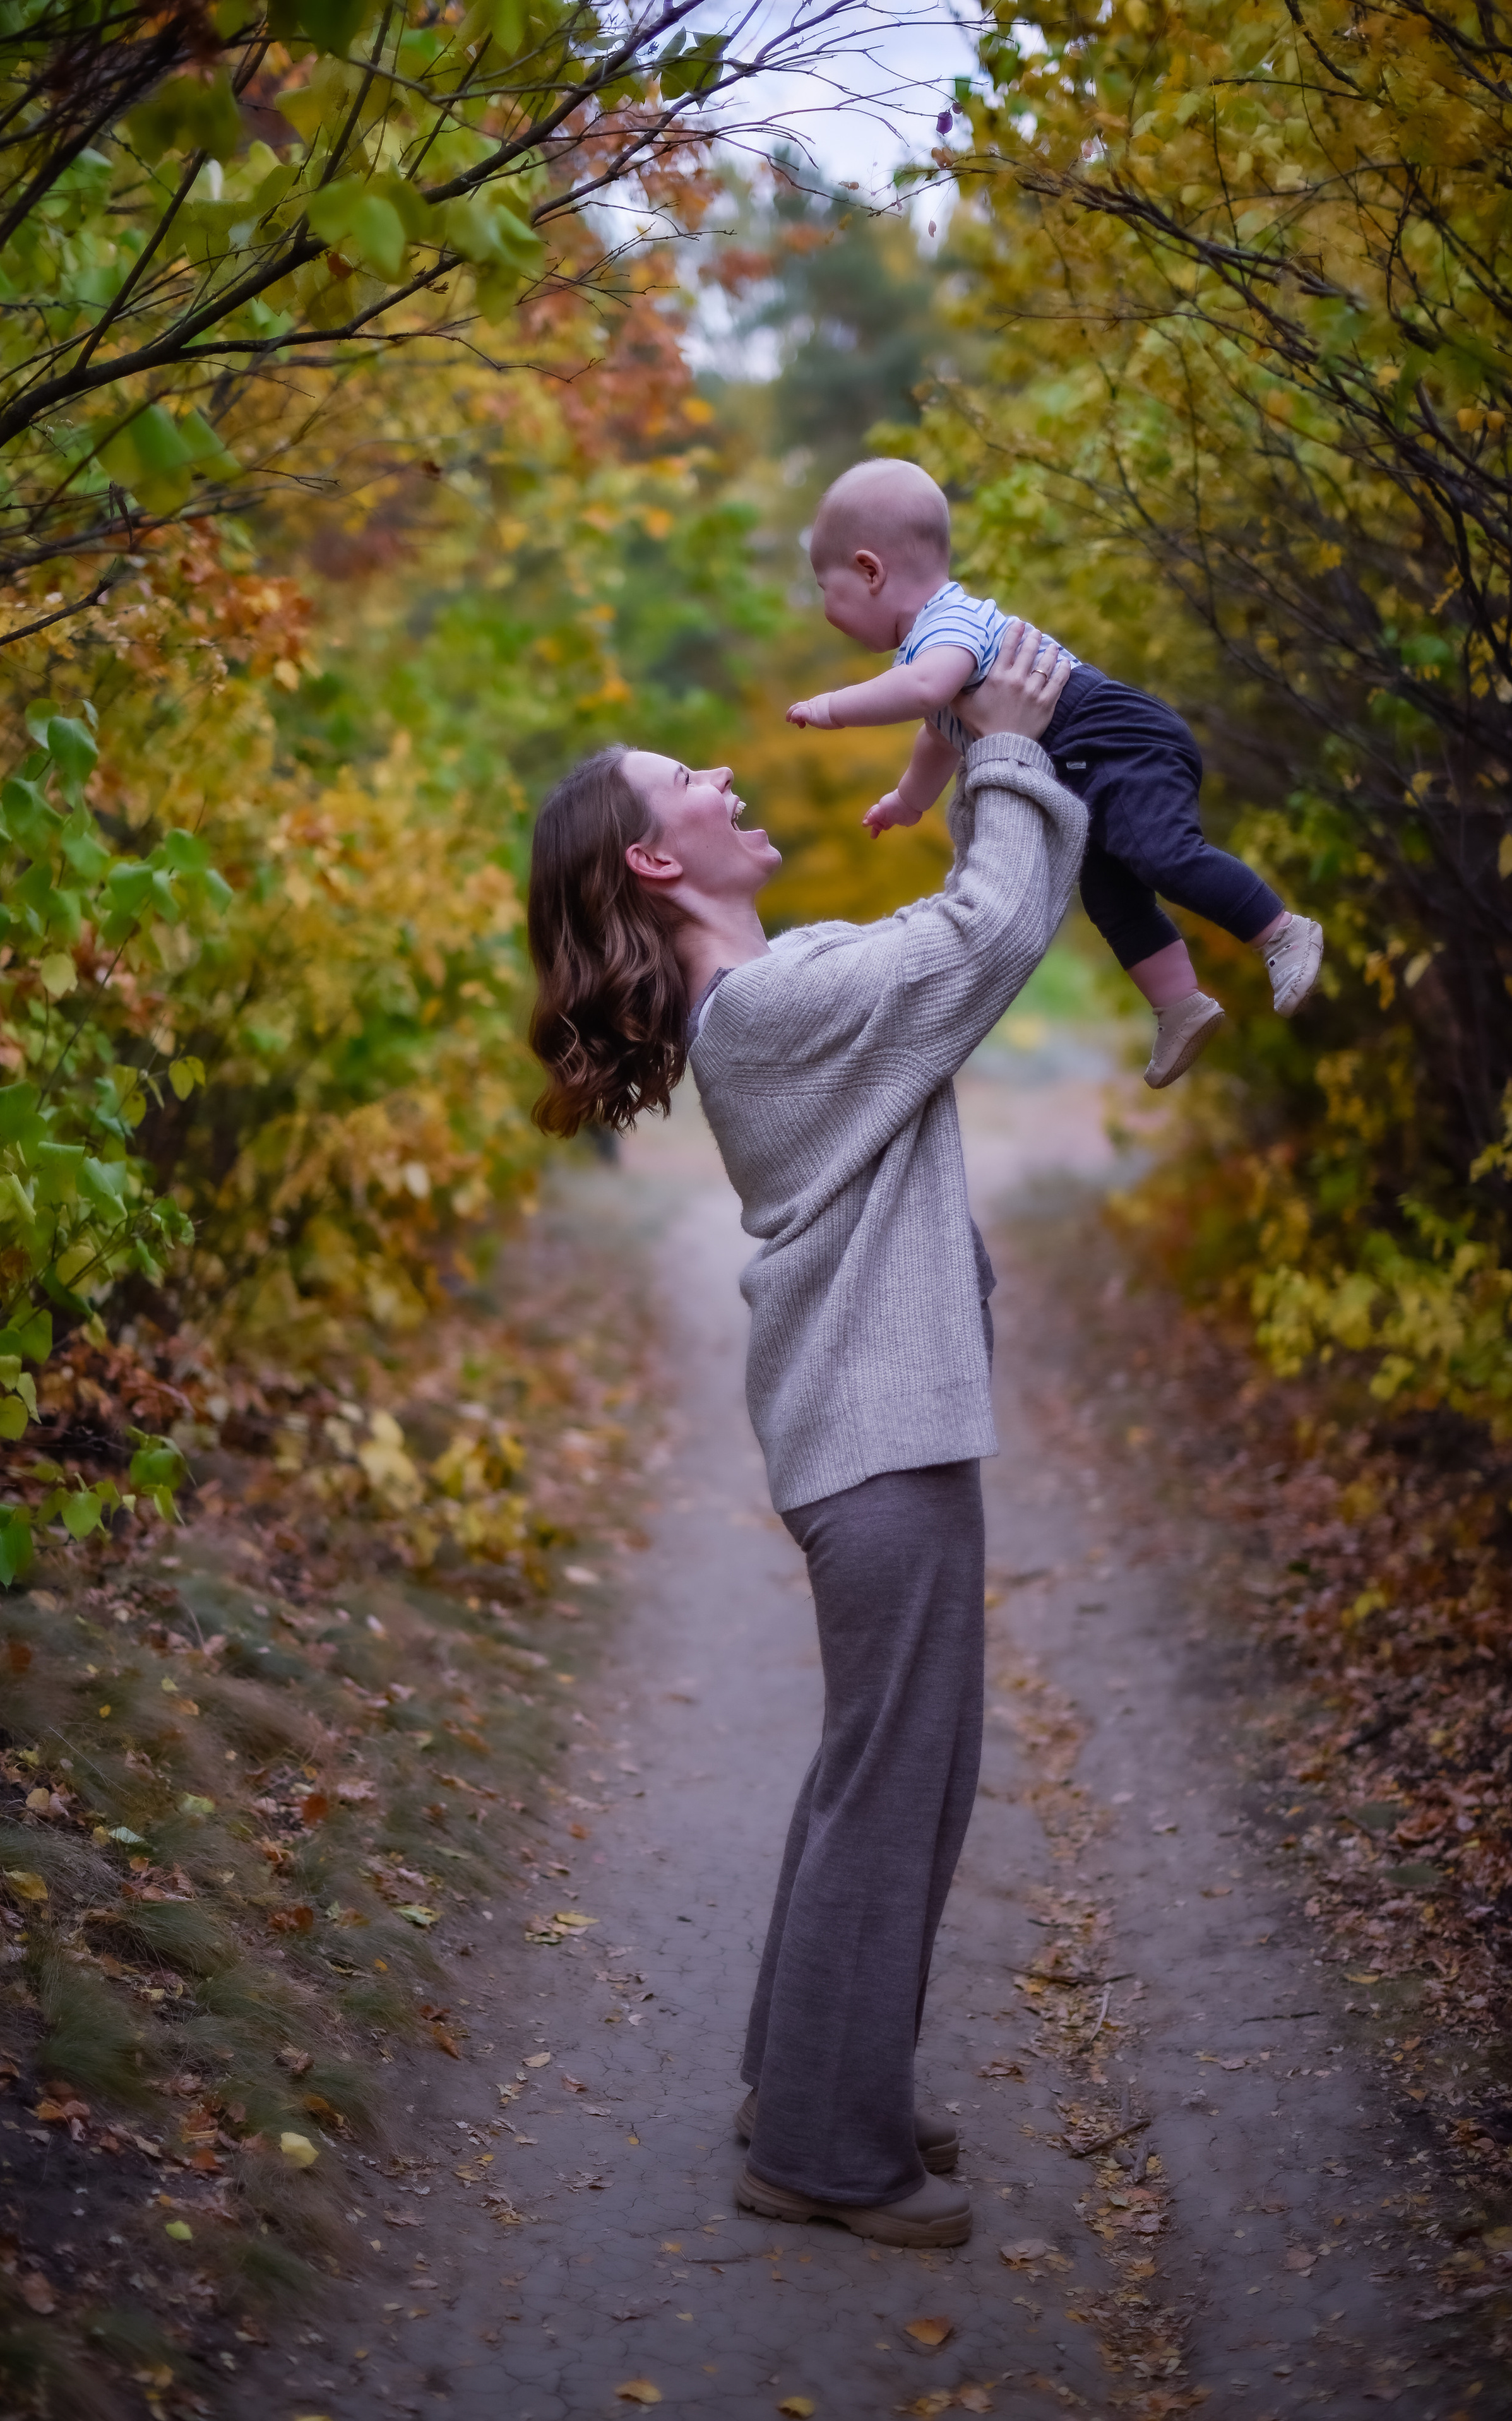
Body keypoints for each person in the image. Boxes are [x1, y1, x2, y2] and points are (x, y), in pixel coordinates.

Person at [526, 624, 1086, 2250]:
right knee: (894, 1778)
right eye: (686, 779)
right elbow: (990, 930)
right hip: (873, 1440)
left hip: (877, 1427)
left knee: (889, 1771)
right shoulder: (763, 1008)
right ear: (653, 851)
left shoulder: (772, 993)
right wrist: (1003, 738)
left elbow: (951, 938)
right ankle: (824, 2156)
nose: (722, 776)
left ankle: (809, 2083)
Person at [784, 457, 1323, 1090]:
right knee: (1108, 896)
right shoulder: (930, 653)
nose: (827, 612)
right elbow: (938, 735)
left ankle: (1280, 931)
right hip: (1078, 766)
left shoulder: (948, 626)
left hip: (1117, 738)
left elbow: (922, 690)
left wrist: (832, 707)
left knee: (1162, 855)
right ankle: (1180, 1005)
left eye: (828, 591)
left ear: (869, 571)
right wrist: (908, 801)